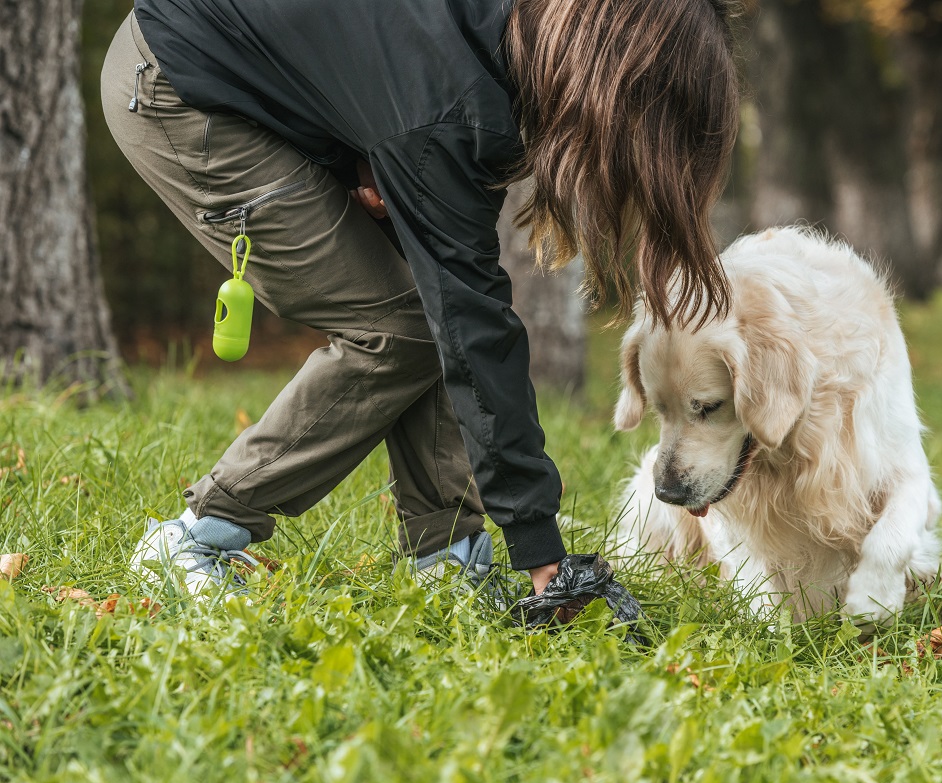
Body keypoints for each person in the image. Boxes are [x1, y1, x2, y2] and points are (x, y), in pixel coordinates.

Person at [101, 0, 740, 601]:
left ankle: (446, 560)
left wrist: (364, 139)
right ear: (607, 75)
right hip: (175, 85)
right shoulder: (456, 99)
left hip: (249, 78)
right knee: (400, 326)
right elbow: (473, 320)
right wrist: (541, 551)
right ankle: (196, 536)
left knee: (428, 298)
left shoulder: (501, 48)